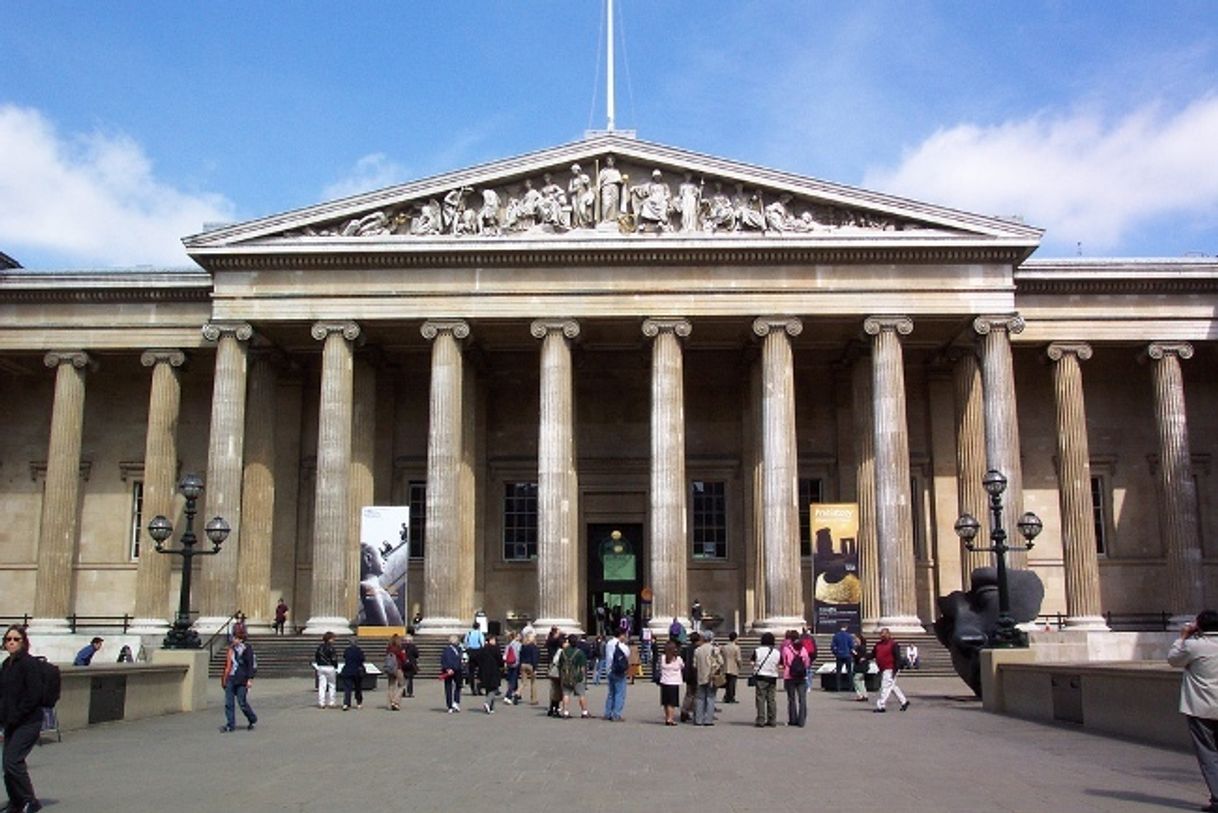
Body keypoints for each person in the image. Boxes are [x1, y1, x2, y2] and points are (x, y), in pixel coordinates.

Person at [1168, 609, 1218, 812]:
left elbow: (1173, 659)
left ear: (1200, 626)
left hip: (1201, 708)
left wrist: (1182, 636)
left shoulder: (1194, 646)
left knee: (1208, 753)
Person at [1, 625, 44, 812]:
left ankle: (30, 800)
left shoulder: (29, 664)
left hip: (28, 721)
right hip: (11, 722)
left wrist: (16, 715)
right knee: (7, 764)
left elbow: (34, 696)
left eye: (16, 639)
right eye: (8, 639)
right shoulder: (6, 664)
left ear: (24, 642)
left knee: (13, 761)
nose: (11, 642)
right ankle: (16, 801)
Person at [220, 628, 258, 732]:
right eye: (233, 637)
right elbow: (227, 665)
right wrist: (224, 678)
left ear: (241, 639)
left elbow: (251, 665)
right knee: (229, 703)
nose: (234, 640)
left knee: (242, 702)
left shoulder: (247, 649)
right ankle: (230, 725)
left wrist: (250, 679)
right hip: (231, 678)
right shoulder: (231, 649)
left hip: (242, 679)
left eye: (236, 638)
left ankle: (252, 718)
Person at [872, 627, 910, 713]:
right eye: (881, 634)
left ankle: (881, 705)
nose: (882, 635)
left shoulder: (893, 644)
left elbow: (897, 658)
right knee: (891, 686)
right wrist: (864, 657)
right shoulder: (878, 645)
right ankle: (904, 702)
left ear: (889, 634)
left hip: (890, 668)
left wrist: (896, 669)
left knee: (885, 686)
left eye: (884, 634)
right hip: (883, 668)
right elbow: (873, 654)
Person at [752, 631, 781, 727]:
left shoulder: (757, 651)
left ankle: (761, 719)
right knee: (771, 699)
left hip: (761, 676)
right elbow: (780, 664)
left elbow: (752, 663)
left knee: (760, 699)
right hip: (772, 676)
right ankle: (772, 719)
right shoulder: (776, 652)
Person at [781, 629, 810, 727]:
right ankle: (801, 721)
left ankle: (792, 720)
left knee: (791, 699)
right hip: (801, 676)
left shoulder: (786, 649)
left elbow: (784, 662)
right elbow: (807, 662)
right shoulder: (803, 649)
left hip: (790, 676)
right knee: (802, 699)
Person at [692, 631, 721, 726]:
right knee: (711, 698)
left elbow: (694, 665)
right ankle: (708, 720)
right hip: (712, 676)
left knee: (700, 698)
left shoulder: (698, 650)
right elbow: (721, 662)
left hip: (701, 676)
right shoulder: (714, 649)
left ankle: (698, 719)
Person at [559, 634, 589, 719]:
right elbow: (582, 667)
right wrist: (583, 676)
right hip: (577, 677)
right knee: (581, 695)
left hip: (566, 676)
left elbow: (560, 664)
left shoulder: (563, 652)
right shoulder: (580, 653)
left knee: (566, 694)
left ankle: (565, 712)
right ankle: (584, 712)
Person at [603, 629, 630, 721]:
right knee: (619, 693)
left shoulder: (609, 643)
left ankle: (608, 713)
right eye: (625, 635)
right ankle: (616, 714)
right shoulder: (622, 646)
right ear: (621, 635)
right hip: (619, 671)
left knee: (611, 693)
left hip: (609, 670)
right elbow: (627, 654)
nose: (626, 637)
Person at [658, 639, 684, 726]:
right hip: (674, 682)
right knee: (672, 703)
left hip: (665, 681)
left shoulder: (662, 658)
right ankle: (670, 718)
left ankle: (667, 717)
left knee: (666, 702)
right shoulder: (677, 659)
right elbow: (682, 666)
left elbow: (660, 667)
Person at [313, 631, 339, 709]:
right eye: (333, 638)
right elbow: (334, 658)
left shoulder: (320, 647)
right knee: (332, 685)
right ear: (329, 639)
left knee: (322, 686)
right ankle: (332, 702)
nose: (334, 640)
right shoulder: (332, 648)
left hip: (321, 667)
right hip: (330, 667)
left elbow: (316, 657)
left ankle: (321, 702)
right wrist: (335, 666)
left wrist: (318, 664)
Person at [339, 638, 366, 711]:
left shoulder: (347, 650)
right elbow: (362, 659)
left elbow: (344, 657)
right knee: (358, 688)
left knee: (347, 688)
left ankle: (346, 703)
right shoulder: (359, 651)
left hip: (347, 670)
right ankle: (359, 703)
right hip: (357, 671)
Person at [440, 635, 464, 713]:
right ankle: (452, 704)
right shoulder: (449, 650)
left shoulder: (457, 649)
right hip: (452, 670)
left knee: (455, 686)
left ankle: (453, 704)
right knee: (451, 687)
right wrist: (448, 668)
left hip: (455, 670)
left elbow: (460, 659)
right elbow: (444, 660)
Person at [597, 156, 623, 222]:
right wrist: (598, 188)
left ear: (613, 162)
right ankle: (604, 218)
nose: (609, 162)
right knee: (606, 202)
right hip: (606, 187)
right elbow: (599, 180)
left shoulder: (616, 171)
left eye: (611, 161)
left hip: (614, 187)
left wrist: (623, 181)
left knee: (614, 203)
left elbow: (620, 180)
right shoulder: (603, 171)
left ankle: (612, 218)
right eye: (608, 160)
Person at [546, 636, 567, 718]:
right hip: (557, 674)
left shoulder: (559, 650)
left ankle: (552, 708)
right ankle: (555, 709)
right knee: (557, 692)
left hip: (555, 673)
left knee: (555, 691)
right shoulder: (561, 651)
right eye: (566, 642)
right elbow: (556, 661)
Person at [384, 634, 406, 710]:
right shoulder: (399, 649)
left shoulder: (388, 648)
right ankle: (395, 701)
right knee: (402, 685)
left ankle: (390, 704)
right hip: (398, 668)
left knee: (391, 686)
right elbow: (403, 659)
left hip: (389, 669)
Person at [831, 624, 855, 692]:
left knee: (838, 672)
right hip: (847, 655)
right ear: (846, 627)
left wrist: (836, 653)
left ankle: (838, 687)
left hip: (839, 655)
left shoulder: (836, 635)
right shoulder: (849, 636)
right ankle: (850, 687)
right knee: (849, 672)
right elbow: (852, 646)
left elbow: (833, 646)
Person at [464, 621, 485, 695]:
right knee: (481, 670)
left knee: (471, 672)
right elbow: (482, 643)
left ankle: (472, 688)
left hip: (471, 652)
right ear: (479, 627)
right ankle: (479, 687)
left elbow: (465, 643)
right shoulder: (480, 633)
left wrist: (468, 650)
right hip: (478, 652)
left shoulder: (469, 633)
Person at [721, 631, 741, 703]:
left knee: (727, 683)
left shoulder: (724, 647)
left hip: (725, 666)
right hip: (733, 666)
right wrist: (740, 665)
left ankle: (727, 696)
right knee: (732, 683)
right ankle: (731, 697)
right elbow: (738, 659)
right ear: (735, 638)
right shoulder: (736, 648)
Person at [520, 632, 540, 705]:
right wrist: (535, 668)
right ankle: (533, 699)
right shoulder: (534, 647)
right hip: (530, 665)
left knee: (523, 682)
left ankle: (517, 693)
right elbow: (535, 658)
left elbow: (520, 656)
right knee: (533, 682)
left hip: (523, 664)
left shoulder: (523, 646)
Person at [502, 632, 522, 704]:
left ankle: (517, 693)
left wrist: (505, 663)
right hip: (516, 663)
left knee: (512, 679)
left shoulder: (508, 645)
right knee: (513, 680)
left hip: (509, 663)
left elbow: (505, 656)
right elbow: (520, 654)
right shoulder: (518, 645)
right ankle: (508, 695)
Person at [851, 633, 871, 702]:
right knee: (861, 681)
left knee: (856, 680)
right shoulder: (859, 647)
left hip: (861, 666)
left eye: (856, 639)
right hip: (860, 666)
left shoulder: (861, 647)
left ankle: (862, 695)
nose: (855, 640)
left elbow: (860, 657)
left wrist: (854, 653)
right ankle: (864, 695)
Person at [402, 633, 420, 698]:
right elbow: (417, 655)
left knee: (403, 678)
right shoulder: (413, 646)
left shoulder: (402, 646)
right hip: (411, 664)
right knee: (410, 679)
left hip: (403, 664)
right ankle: (409, 692)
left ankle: (403, 691)